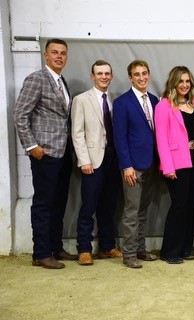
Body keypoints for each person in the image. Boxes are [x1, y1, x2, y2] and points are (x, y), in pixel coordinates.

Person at [13, 38, 77, 269]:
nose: (59, 56)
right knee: (43, 203)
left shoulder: (62, 81)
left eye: (63, 53)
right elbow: (20, 114)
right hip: (45, 153)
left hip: (63, 152)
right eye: (54, 52)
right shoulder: (36, 79)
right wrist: (32, 147)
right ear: (46, 56)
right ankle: (40, 253)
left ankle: (55, 247)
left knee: (59, 202)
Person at [71, 60, 123, 266]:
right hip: (92, 160)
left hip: (112, 159)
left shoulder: (114, 100)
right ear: (92, 76)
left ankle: (107, 246)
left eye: (107, 73)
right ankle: (84, 248)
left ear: (111, 76)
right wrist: (84, 160)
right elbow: (77, 133)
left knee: (109, 206)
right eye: (99, 73)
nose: (104, 76)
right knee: (88, 206)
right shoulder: (81, 100)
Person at [113, 60, 159, 268]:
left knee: (143, 210)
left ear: (149, 75)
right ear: (130, 78)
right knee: (131, 211)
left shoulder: (155, 100)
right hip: (133, 166)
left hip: (151, 164)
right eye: (136, 74)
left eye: (144, 73)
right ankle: (129, 254)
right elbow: (120, 137)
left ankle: (140, 249)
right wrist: (126, 166)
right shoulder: (123, 102)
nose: (141, 77)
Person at [155, 66, 194, 264]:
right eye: (180, 81)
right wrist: (168, 167)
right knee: (179, 206)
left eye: (187, 81)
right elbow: (161, 139)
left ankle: (185, 248)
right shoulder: (164, 105)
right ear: (173, 83)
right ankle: (169, 251)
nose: (184, 85)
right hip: (176, 164)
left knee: (190, 206)